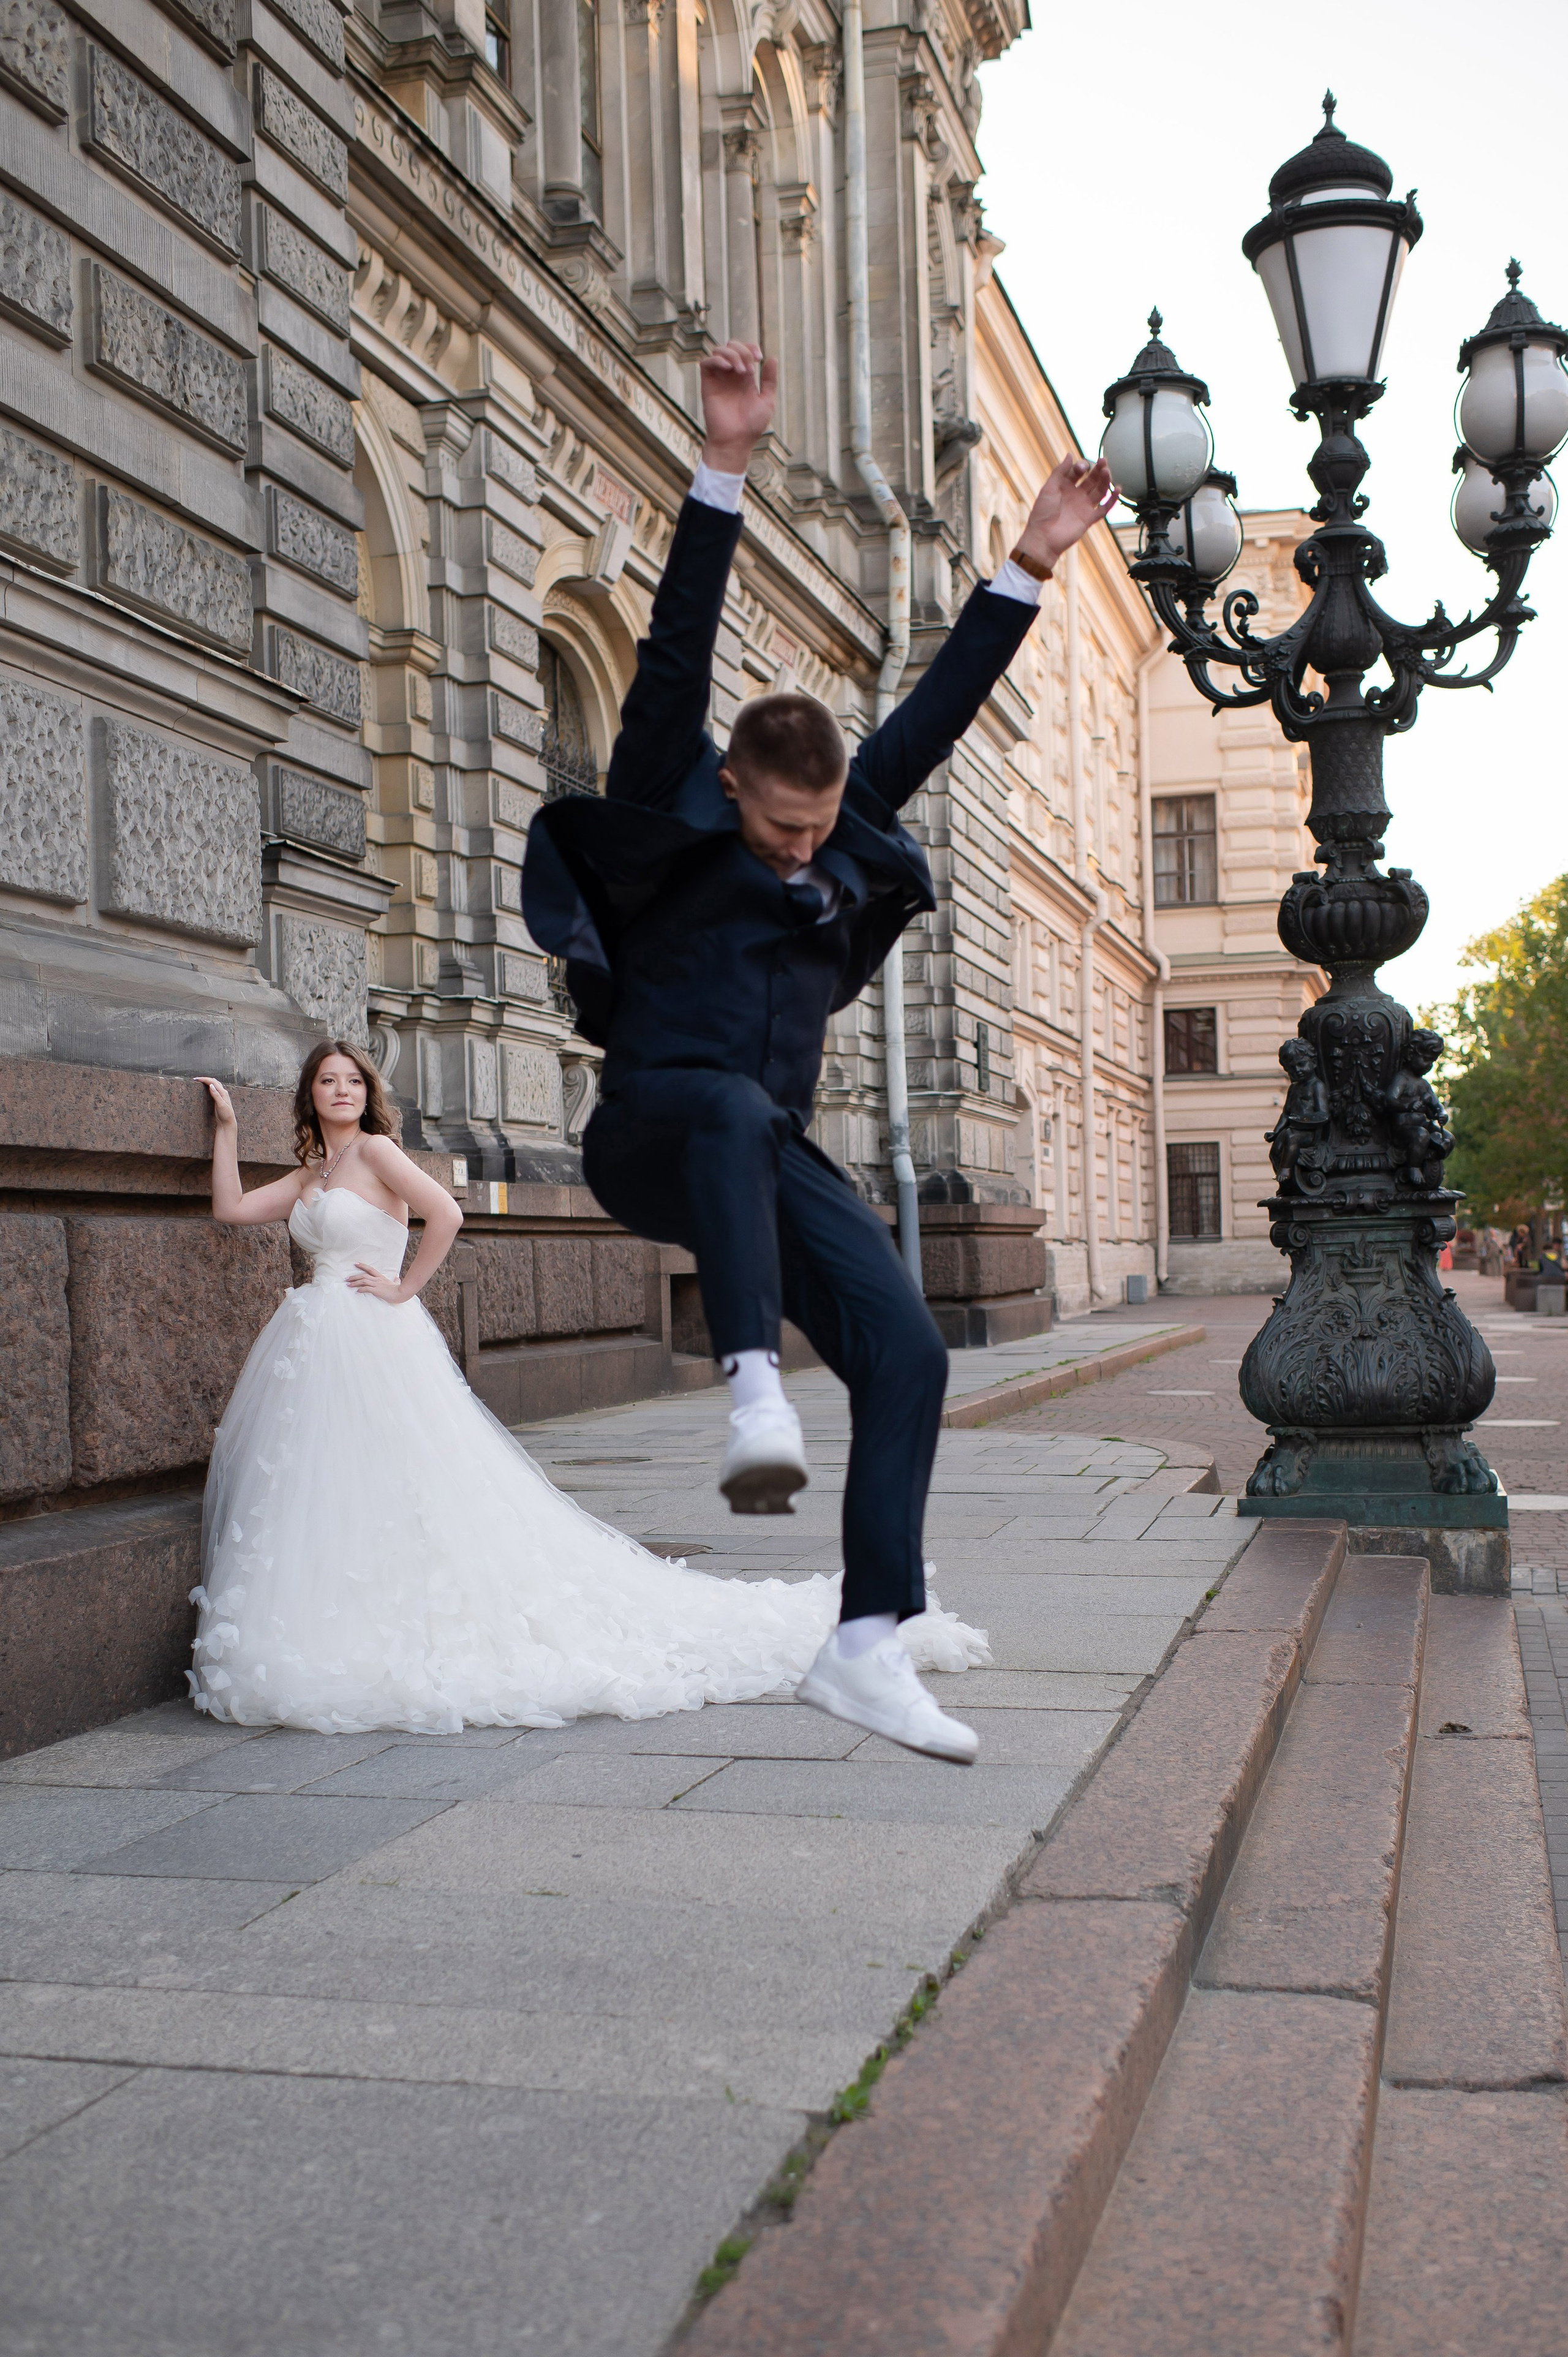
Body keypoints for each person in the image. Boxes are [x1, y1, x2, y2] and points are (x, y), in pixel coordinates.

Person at [524, 341, 1115, 1763]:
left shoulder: (845, 827)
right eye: (781, 829)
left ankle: (863, 1646)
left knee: (910, 1354)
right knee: (728, 1106)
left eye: (818, 826)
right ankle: (747, 1390)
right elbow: (673, 650)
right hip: (652, 1135)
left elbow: (936, 709)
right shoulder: (677, 813)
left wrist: (1026, 564)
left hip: (761, 1150)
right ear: (734, 789)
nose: (803, 853)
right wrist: (720, 465)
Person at [187, 1041, 985, 1737]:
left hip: (375, 1335)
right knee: (330, 1490)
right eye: (328, 1083)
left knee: (413, 1483)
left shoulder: (378, 1154)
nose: (341, 1092)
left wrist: (404, 1290)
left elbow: (446, 1214)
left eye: (352, 1082)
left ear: (366, 1094)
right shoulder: (310, 1174)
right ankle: (336, 1623)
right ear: (311, 1096)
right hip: (314, 1341)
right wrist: (225, 1130)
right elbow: (229, 1209)